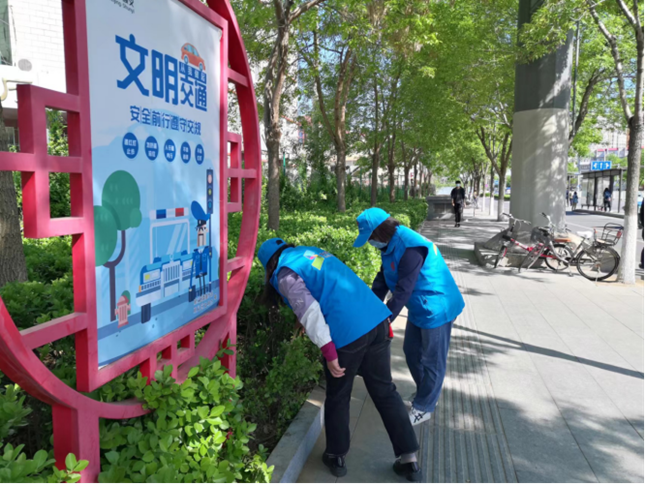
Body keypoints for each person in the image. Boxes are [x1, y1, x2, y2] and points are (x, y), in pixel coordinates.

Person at [257, 238, 422, 481]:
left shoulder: (285, 274)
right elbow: (334, 288)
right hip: (377, 321)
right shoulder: (311, 253)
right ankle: (409, 460)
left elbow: (310, 312)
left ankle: (336, 456)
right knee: (385, 391)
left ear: (269, 264)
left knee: (339, 394)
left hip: (348, 334)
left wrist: (329, 351)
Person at [353, 208, 465, 427]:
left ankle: (425, 407)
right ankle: (426, 393)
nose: (370, 243)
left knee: (432, 360)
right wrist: (370, 309)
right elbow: (383, 278)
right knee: (412, 352)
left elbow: (403, 289)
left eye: (370, 238)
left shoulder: (410, 246)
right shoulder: (389, 243)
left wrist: (384, 321)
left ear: (380, 232)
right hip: (419, 305)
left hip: (436, 306)